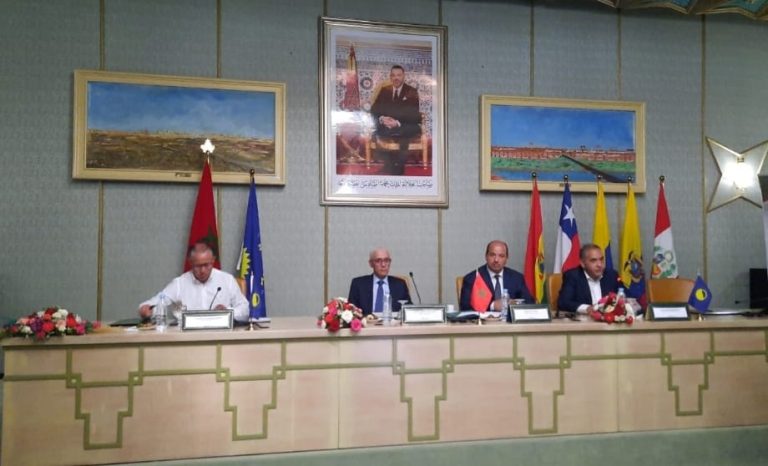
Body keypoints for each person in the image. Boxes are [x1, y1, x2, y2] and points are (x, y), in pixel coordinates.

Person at [138, 241, 249, 322]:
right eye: (198, 266)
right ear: (190, 262)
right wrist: (147, 310)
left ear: (213, 261)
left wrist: (228, 311)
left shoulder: (227, 280)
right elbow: (156, 302)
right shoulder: (179, 283)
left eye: (206, 265)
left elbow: (246, 310)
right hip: (188, 338)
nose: (203, 270)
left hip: (221, 335)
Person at [369, 65, 421, 175]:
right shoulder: (384, 90)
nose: (396, 78)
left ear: (403, 76)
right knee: (376, 133)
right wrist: (383, 119)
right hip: (387, 125)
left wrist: (397, 123)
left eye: (399, 75)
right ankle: (388, 165)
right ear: (390, 77)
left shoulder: (411, 91)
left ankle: (398, 168)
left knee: (405, 132)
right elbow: (374, 110)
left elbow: (413, 115)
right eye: (393, 75)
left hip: (404, 125)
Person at [459, 240, 533, 312]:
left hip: (509, 320)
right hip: (483, 320)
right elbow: (465, 308)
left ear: (506, 259)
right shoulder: (472, 278)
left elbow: (529, 303)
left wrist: (516, 303)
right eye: (492, 255)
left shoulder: (517, 278)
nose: (496, 260)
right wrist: (493, 305)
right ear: (486, 256)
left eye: (501, 256)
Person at [557, 243, 622, 315]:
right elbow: (563, 302)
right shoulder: (573, 276)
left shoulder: (612, 275)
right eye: (593, 260)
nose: (599, 265)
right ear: (582, 263)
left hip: (608, 319)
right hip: (584, 320)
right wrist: (587, 308)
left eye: (601, 259)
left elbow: (622, 298)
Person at [348, 248, 412, 315]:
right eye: (378, 261)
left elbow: (409, 310)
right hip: (367, 321)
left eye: (386, 260)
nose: (383, 265)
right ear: (371, 264)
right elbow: (351, 311)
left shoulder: (400, 285)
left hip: (393, 321)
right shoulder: (358, 284)